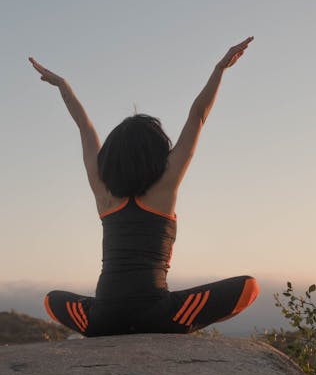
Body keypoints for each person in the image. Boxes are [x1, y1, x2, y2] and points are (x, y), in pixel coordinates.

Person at [29, 37, 258, 337]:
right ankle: (167, 322)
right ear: (157, 152)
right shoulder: (165, 186)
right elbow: (198, 116)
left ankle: (99, 319)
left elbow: (84, 127)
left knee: (52, 299)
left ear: (110, 156)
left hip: (102, 319)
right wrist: (219, 69)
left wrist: (64, 86)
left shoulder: (103, 192)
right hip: (157, 316)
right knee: (249, 287)